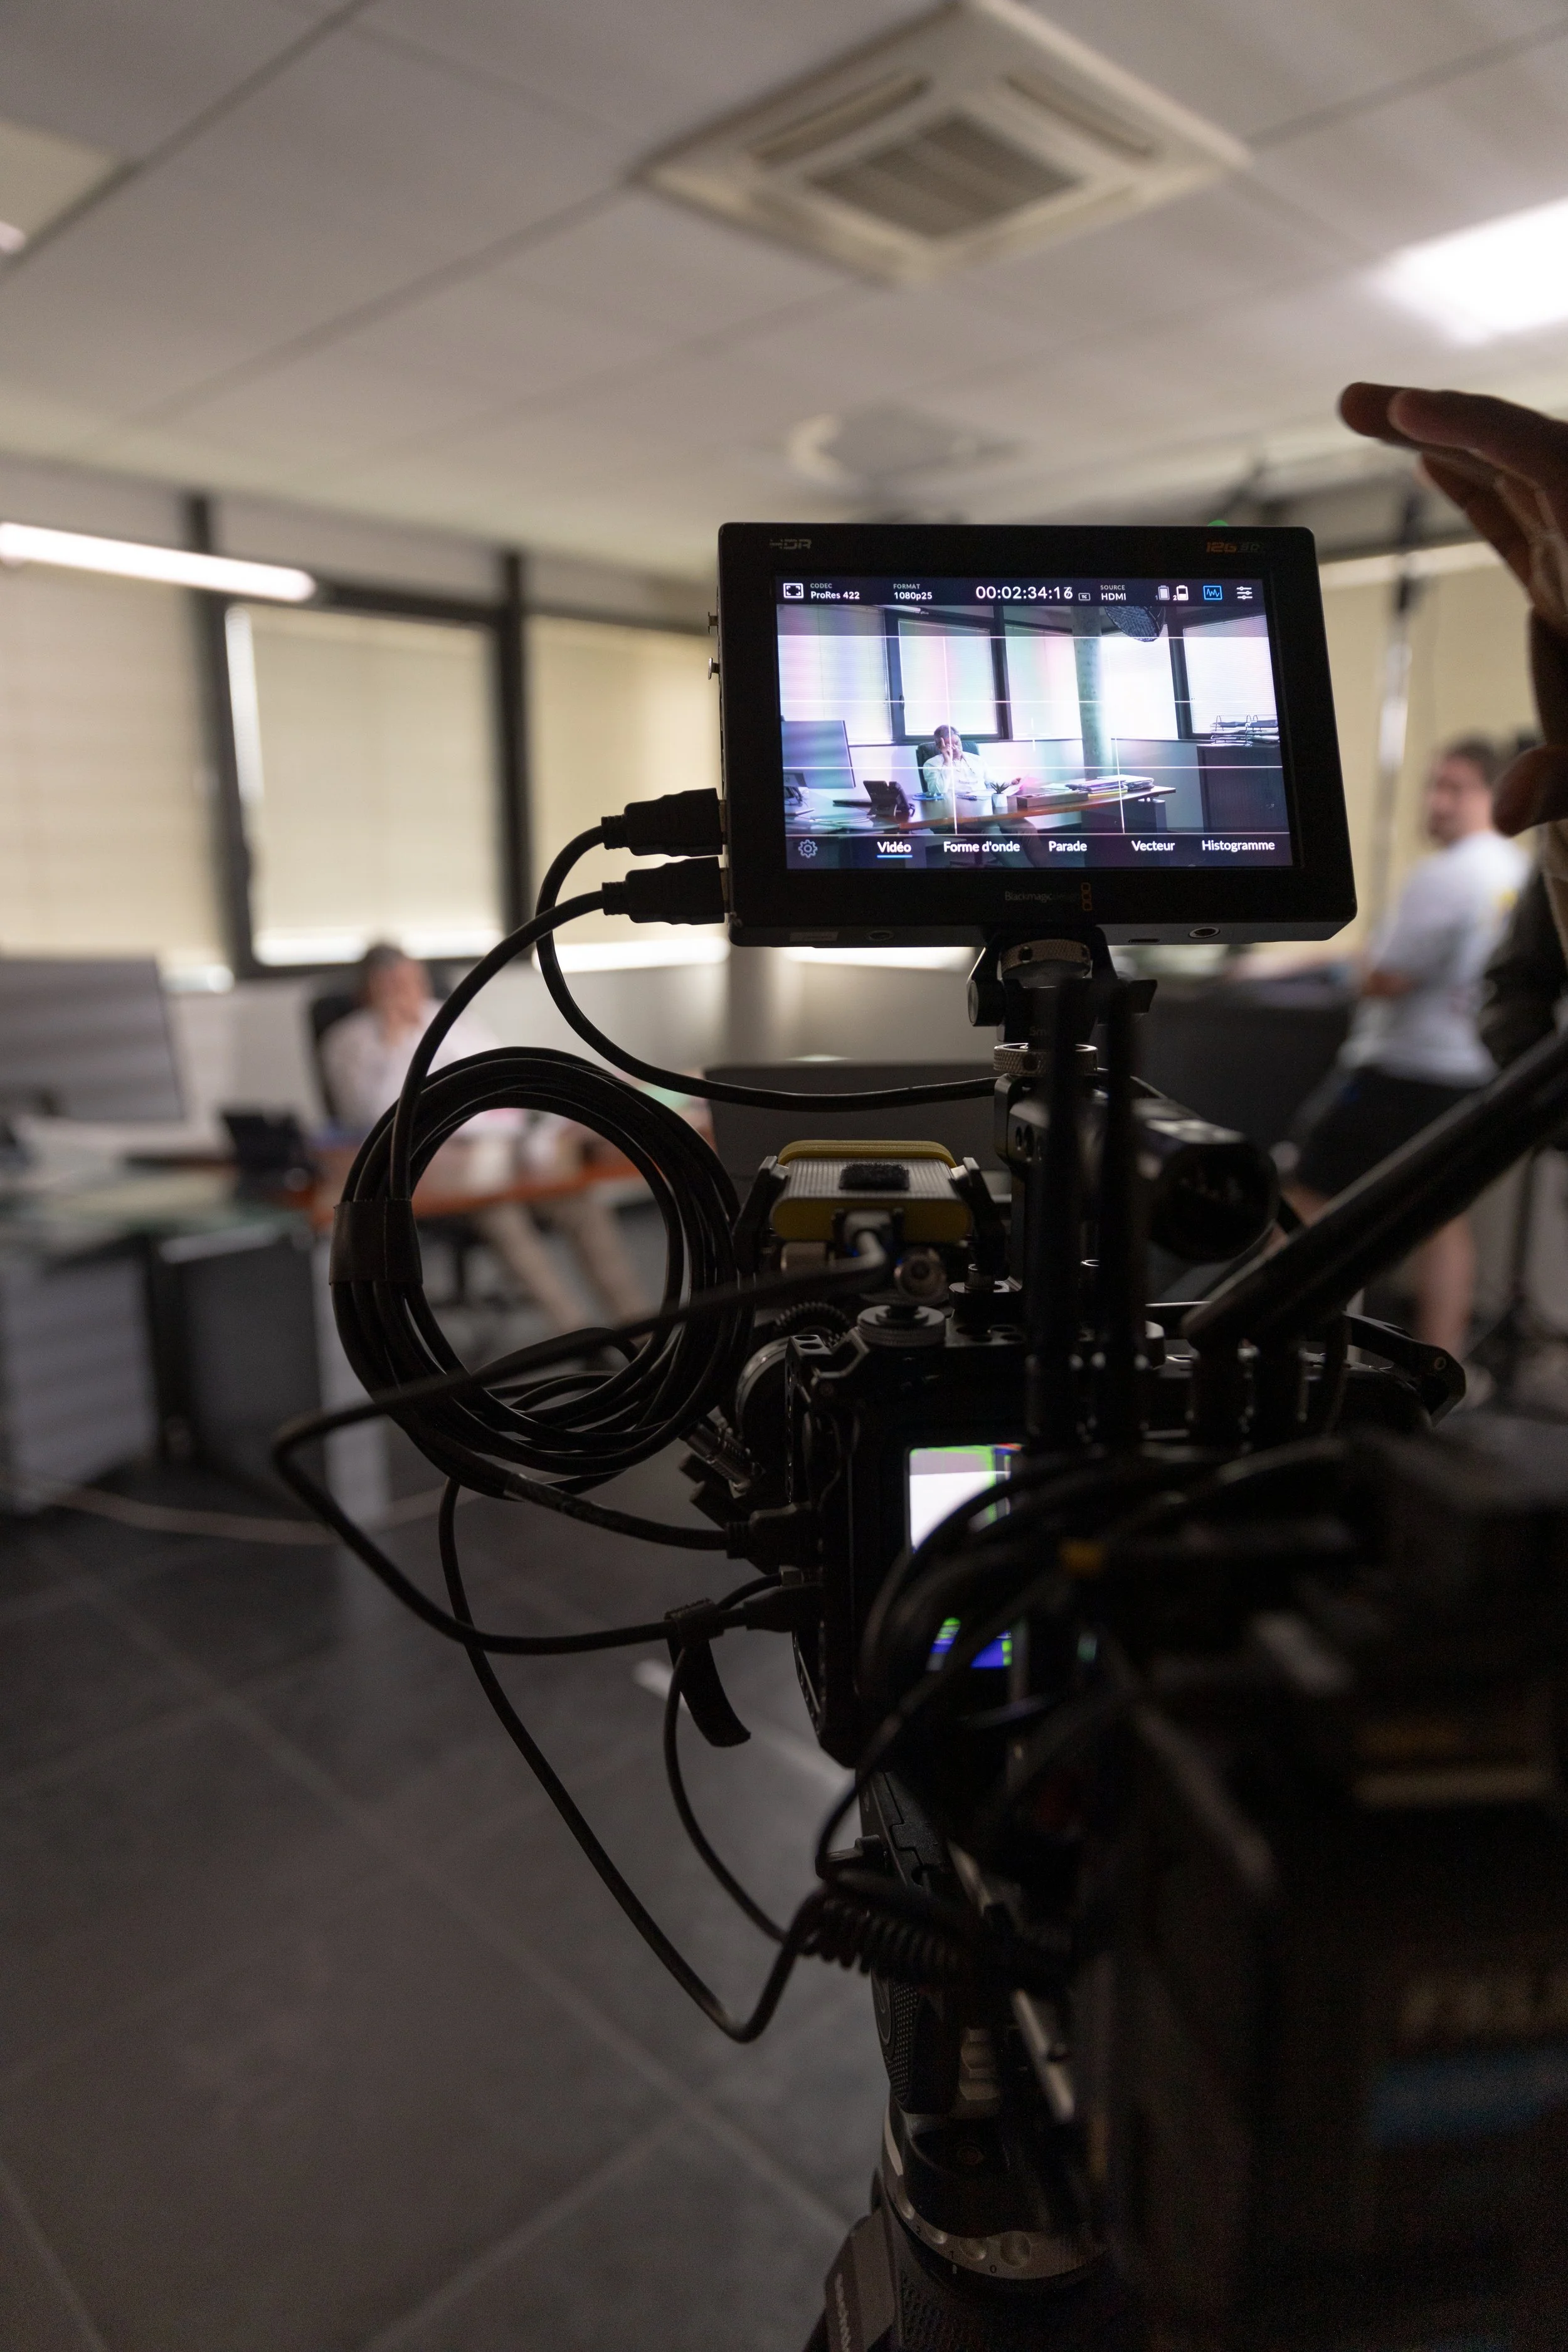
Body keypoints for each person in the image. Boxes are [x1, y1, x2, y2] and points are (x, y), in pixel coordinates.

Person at [1288, 738, 1527, 1357]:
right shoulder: (1515, 870)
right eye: (1433, 785)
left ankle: (1277, 1354)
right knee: (1441, 1218)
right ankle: (1443, 1371)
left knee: (1304, 1205)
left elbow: (1385, 979)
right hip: (1471, 1072)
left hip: (1401, 1071)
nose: (1437, 802)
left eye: (1456, 788)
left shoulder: (1446, 876)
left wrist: (1347, 970)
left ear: (1492, 795)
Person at [320, 943, 645, 1335]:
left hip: (500, 1148)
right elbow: (371, 1117)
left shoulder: (452, 1020)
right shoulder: (349, 1040)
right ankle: (576, 1335)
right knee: (501, 1214)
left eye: (411, 980)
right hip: (428, 1164)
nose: (405, 991)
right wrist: (394, 1039)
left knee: (579, 1201)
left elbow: (501, 1074)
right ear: (367, 989)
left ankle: (638, 1328)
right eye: (391, 983)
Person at [919, 725, 995, 824]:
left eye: (957, 743)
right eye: (949, 746)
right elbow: (938, 792)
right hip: (956, 814)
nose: (955, 748)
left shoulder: (977, 760)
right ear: (939, 747)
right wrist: (947, 762)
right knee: (993, 827)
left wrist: (1011, 784)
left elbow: (993, 783)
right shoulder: (932, 764)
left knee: (1013, 822)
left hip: (985, 808)